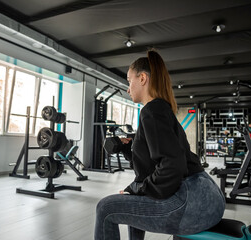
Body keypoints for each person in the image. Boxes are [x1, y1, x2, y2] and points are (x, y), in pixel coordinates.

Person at [95, 50, 225, 240]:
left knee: (105, 208)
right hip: (208, 198)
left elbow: (173, 165)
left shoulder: (152, 111)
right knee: (134, 195)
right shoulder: (161, 109)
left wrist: (138, 189)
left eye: (129, 80)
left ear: (142, 78)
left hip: (193, 204)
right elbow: (154, 165)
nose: (128, 88)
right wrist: (126, 149)